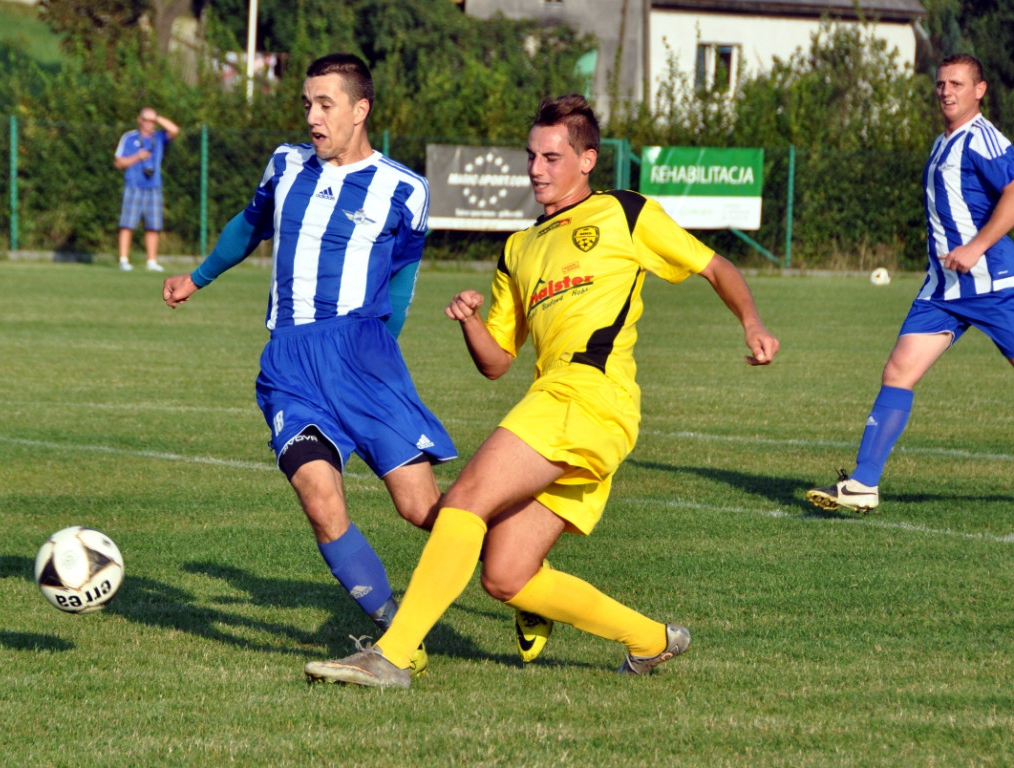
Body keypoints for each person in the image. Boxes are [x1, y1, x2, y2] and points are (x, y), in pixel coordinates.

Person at [303, 93, 780, 688]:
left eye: (552, 157)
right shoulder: (518, 249)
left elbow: (715, 267)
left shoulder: (625, 213)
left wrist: (752, 322)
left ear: (587, 161)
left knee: (463, 503)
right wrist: (473, 323)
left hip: (589, 394)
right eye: (531, 156)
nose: (536, 169)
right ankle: (650, 640)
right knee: (506, 575)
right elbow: (499, 363)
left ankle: (392, 655)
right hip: (566, 404)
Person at [161, 53, 461, 675]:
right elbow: (251, 226)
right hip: (291, 361)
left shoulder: (402, 188)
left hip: (363, 358)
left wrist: (387, 350)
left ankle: (522, 577)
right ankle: (400, 636)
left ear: (361, 109)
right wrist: (199, 275)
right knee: (320, 499)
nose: (314, 116)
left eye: (326, 104)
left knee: (420, 509)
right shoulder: (286, 164)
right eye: (307, 104)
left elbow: (402, 278)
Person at [806, 53, 1014, 514]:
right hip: (943, 290)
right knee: (898, 372)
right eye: (941, 84)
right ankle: (863, 483)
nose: (947, 91)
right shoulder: (944, 142)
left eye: (957, 84)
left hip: (995, 284)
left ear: (979, 90)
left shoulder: (983, 139)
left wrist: (978, 246)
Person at [114, 106, 180, 272]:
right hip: (134, 186)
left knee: (153, 225)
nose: (149, 124)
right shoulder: (129, 138)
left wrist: (157, 117)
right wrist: (137, 156)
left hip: (153, 187)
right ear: (139, 120)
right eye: (146, 120)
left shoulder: (158, 137)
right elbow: (118, 163)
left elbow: (175, 130)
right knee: (127, 224)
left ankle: (151, 261)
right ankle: (123, 260)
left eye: (152, 121)